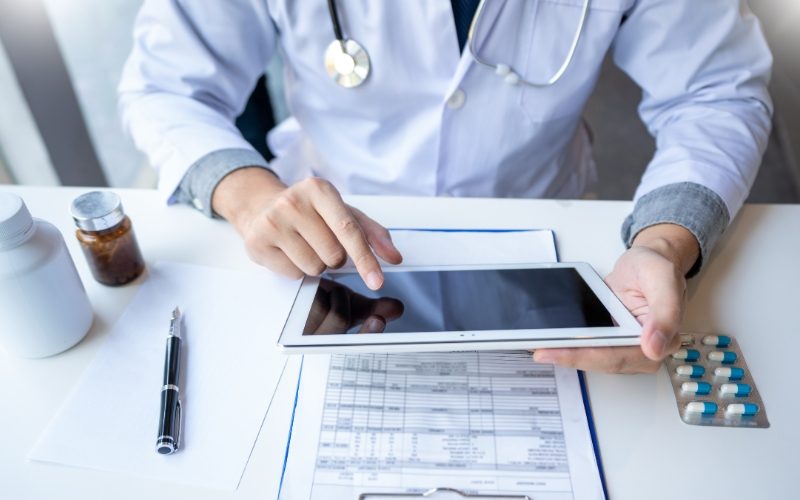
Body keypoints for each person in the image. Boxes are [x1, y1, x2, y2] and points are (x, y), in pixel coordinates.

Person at [118, 0, 772, 374]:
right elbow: (165, 85)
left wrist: (665, 242)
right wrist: (245, 191)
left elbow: (715, 93)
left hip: (542, 222)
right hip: (323, 243)